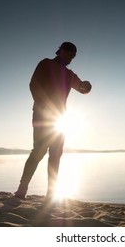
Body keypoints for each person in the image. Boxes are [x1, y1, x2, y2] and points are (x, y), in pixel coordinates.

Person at [14, 42, 92, 199]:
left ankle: (51, 192)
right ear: (60, 51)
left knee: (56, 153)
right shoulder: (46, 63)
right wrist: (44, 105)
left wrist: (87, 86)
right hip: (42, 115)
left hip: (60, 119)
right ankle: (22, 189)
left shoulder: (70, 75)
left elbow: (83, 89)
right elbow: (33, 85)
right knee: (39, 151)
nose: (71, 56)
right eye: (69, 52)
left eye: (74, 55)